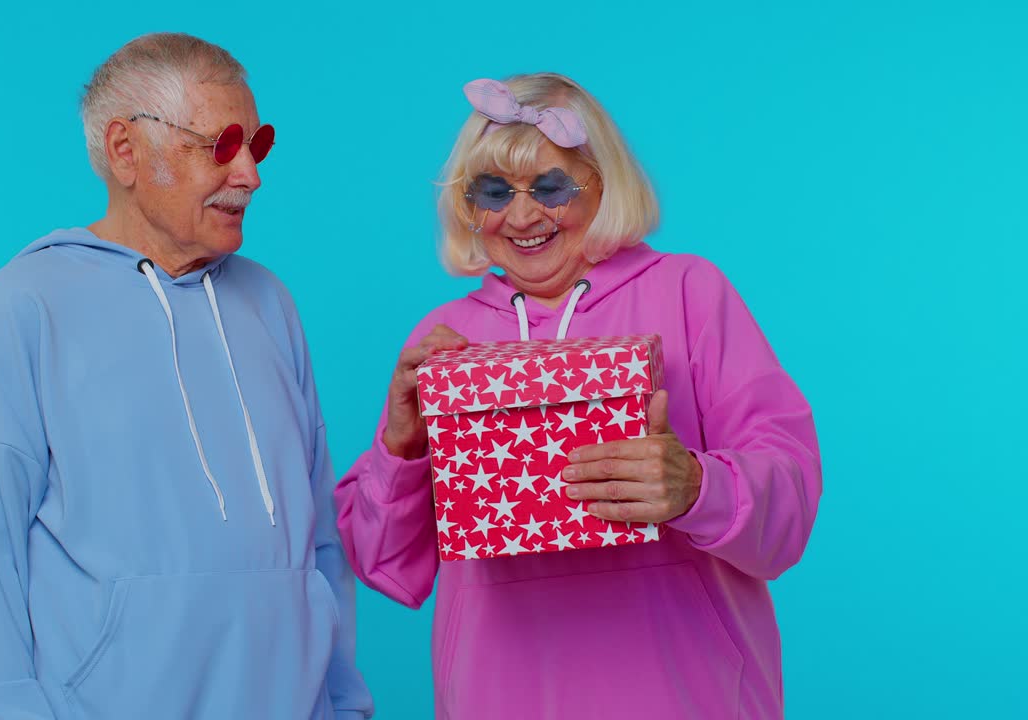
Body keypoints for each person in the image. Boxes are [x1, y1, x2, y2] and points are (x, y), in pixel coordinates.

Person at [335, 73, 821, 719]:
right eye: (493, 191)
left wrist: (699, 487)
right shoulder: (445, 340)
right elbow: (385, 565)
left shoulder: (690, 293)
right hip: (499, 696)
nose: (524, 215)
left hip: (686, 694)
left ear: (603, 184)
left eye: (551, 186)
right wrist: (399, 444)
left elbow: (788, 502)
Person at [0, 32, 372, 719]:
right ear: (126, 151)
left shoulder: (270, 303)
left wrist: (344, 704)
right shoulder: (28, 303)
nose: (251, 174)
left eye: (259, 145)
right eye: (222, 145)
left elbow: (318, 539)